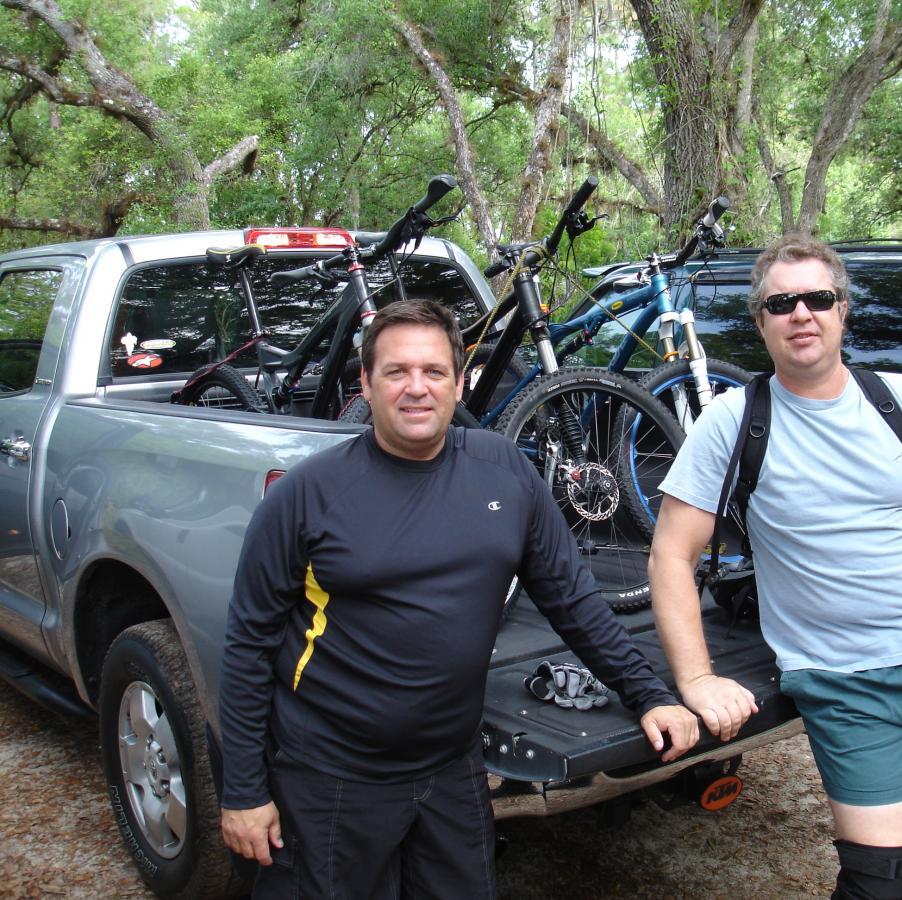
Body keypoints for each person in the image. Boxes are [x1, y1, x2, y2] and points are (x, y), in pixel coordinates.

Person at [219, 299, 699, 899]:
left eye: (433, 371)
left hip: (451, 768)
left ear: (459, 381)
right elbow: (248, 646)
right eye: (396, 371)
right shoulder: (307, 496)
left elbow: (573, 601)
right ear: (366, 383)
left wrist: (649, 693)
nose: (416, 388)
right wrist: (244, 791)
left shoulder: (504, 471)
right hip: (331, 776)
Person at [648, 234, 902, 899]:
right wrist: (696, 678)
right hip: (843, 681)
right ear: (761, 323)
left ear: (843, 309)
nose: (801, 314)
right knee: (884, 881)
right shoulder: (733, 422)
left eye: (817, 298)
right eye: (781, 303)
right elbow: (671, 552)